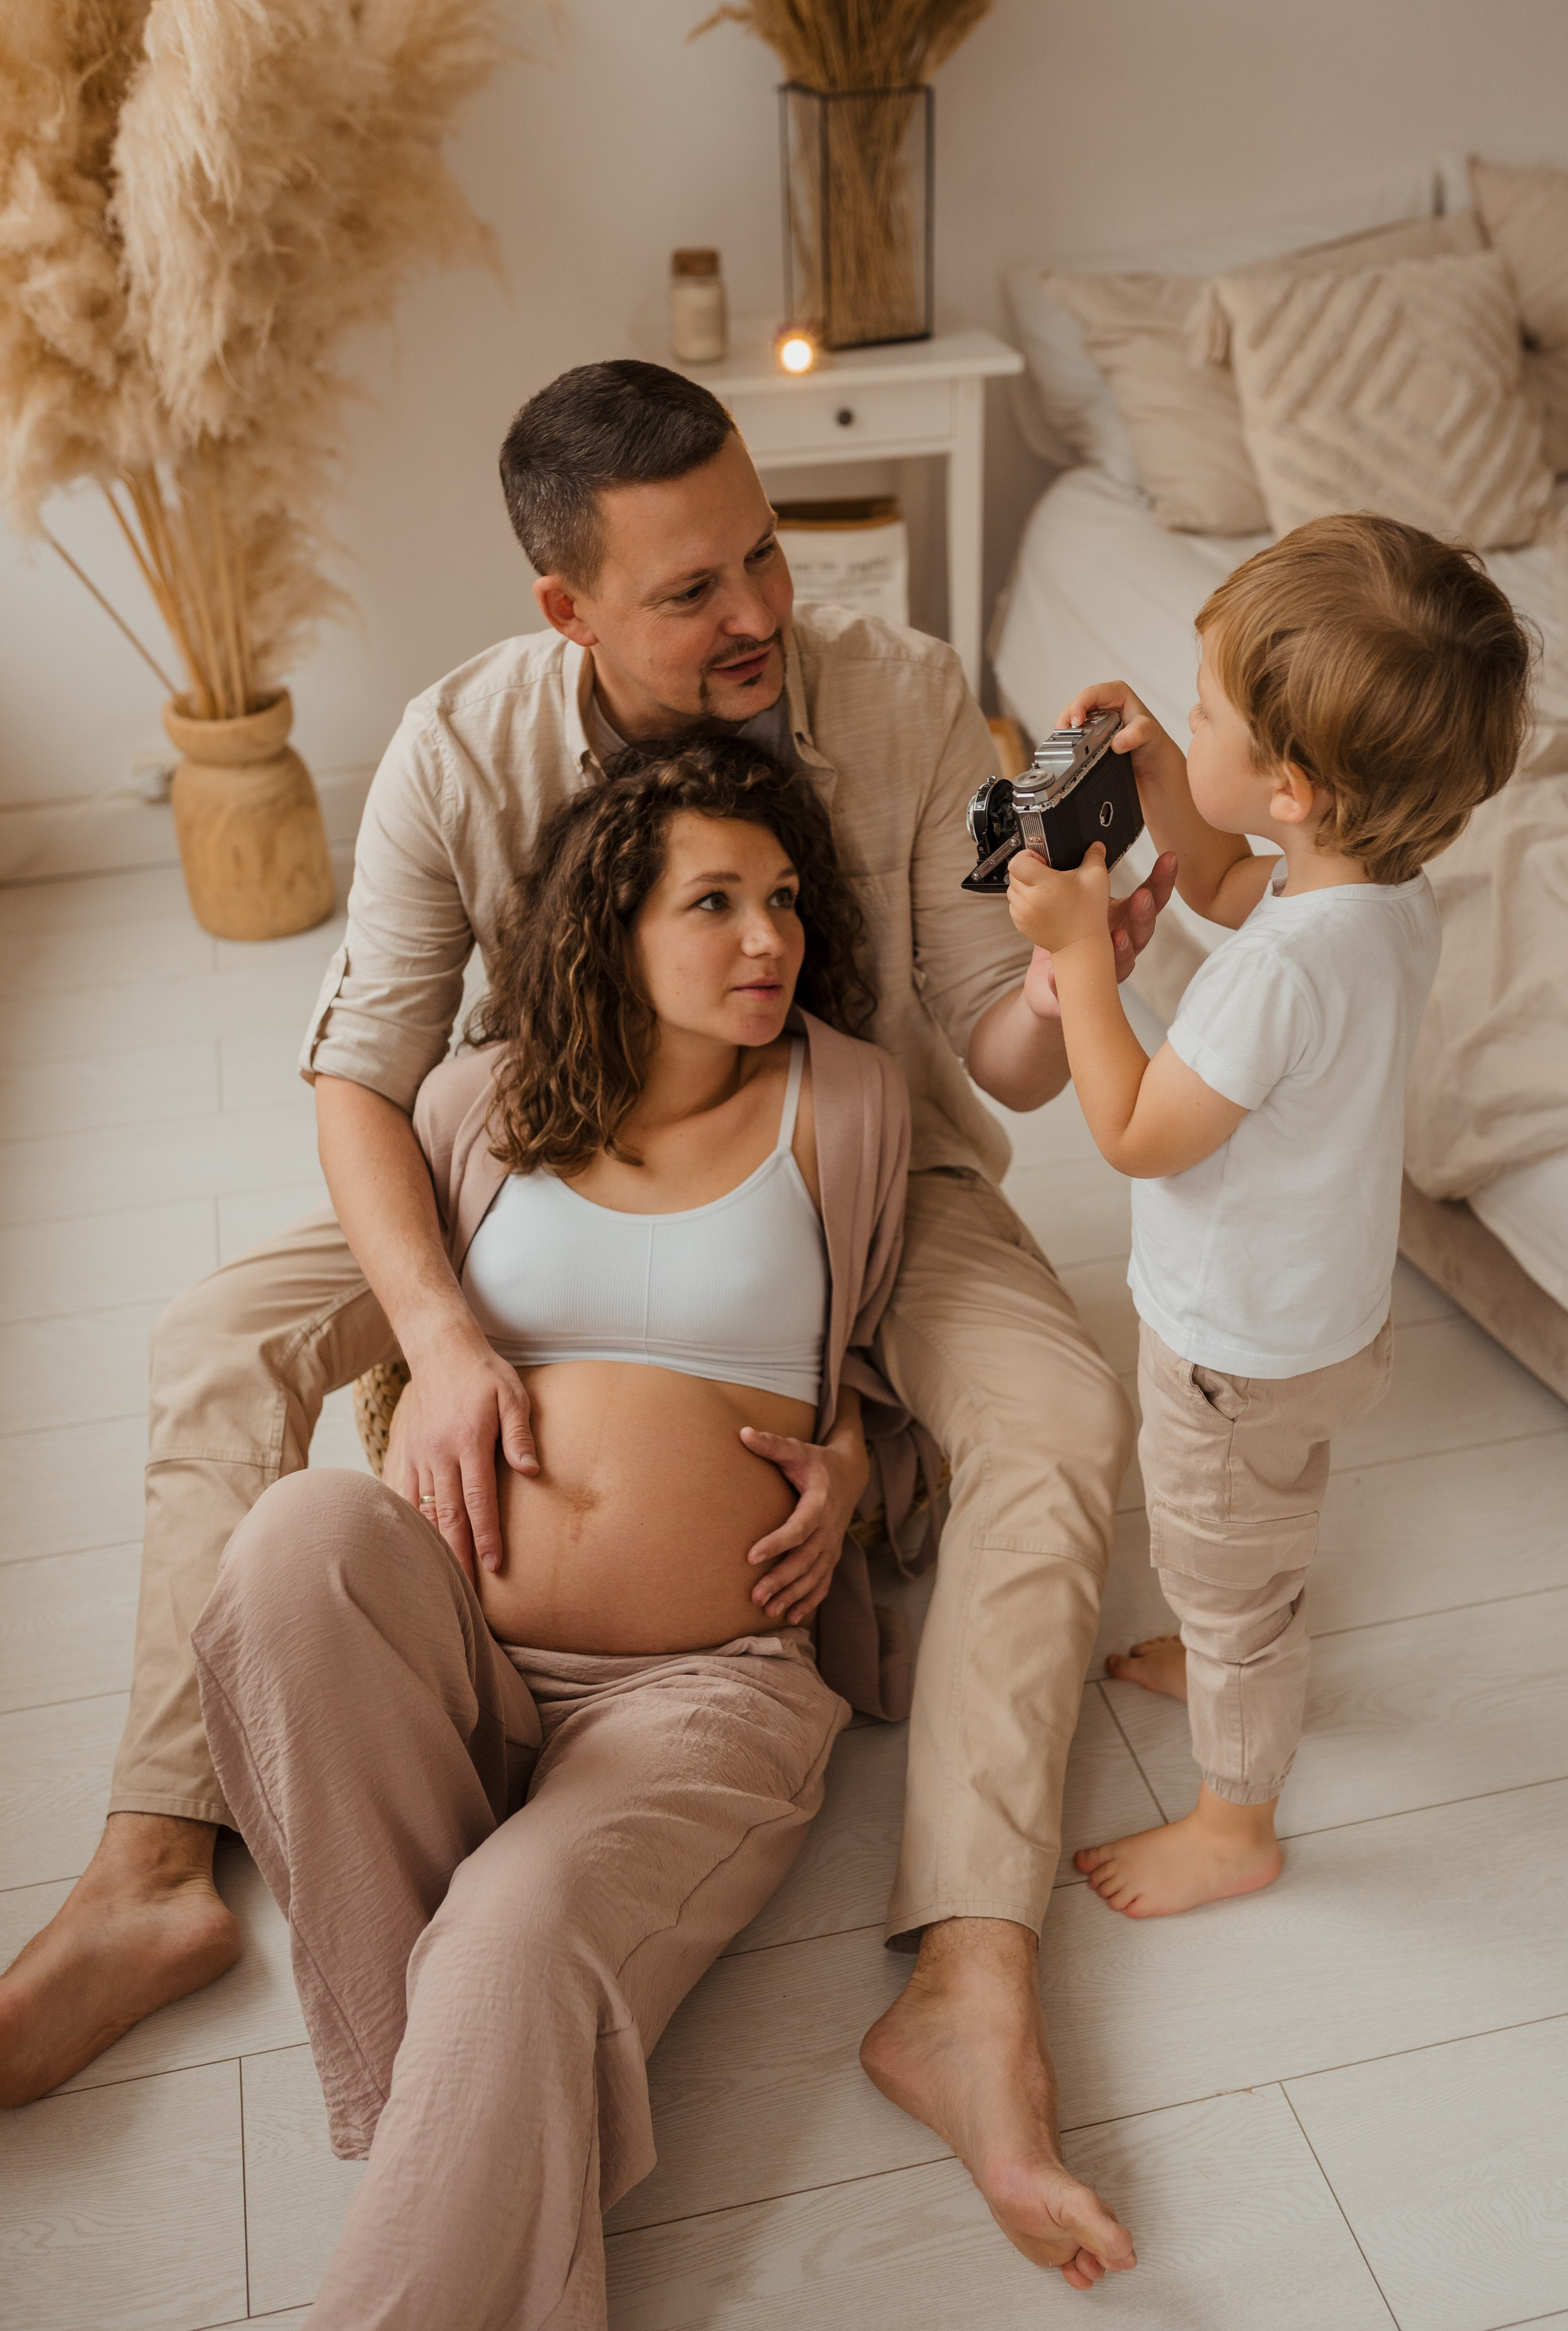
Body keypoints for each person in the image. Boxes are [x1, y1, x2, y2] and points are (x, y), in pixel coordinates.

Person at [1, 360, 1169, 2288]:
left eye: (767, 559)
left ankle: (968, 1977)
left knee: (1056, 1412)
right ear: (569, 609)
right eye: (695, 591)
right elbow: (365, 1073)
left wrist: (1075, 970)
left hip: (872, 1174)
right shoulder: (462, 746)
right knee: (219, 1334)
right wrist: (445, 1337)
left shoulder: (894, 686)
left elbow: (997, 1051)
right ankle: (149, 1875)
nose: (761, 616)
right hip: (532, 1161)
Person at [191, 737, 911, 2327]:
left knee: (511, 1945)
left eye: (783, 901)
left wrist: (848, 1461)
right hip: (462, 1656)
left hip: (701, 1690)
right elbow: (412, 1334)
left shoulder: (845, 1100)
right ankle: (458, 2104)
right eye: (713, 901)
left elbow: (846, 1356)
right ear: (612, 924)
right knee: (295, 1537)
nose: (768, 939)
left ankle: (441, 2127)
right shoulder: (476, 1106)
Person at [1004, 514, 1534, 1920]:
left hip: (1227, 1354)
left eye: (1201, 711)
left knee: (1221, 1561)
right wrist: (1169, 775)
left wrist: (1075, 956)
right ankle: (1228, 1628)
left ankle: (1236, 1815)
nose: (1181, 723)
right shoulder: (1379, 899)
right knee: (1261, 1530)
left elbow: (1128, 1133)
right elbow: (1238, 883)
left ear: (1292, 784)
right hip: (1322, 1332)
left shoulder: (1265, 985)